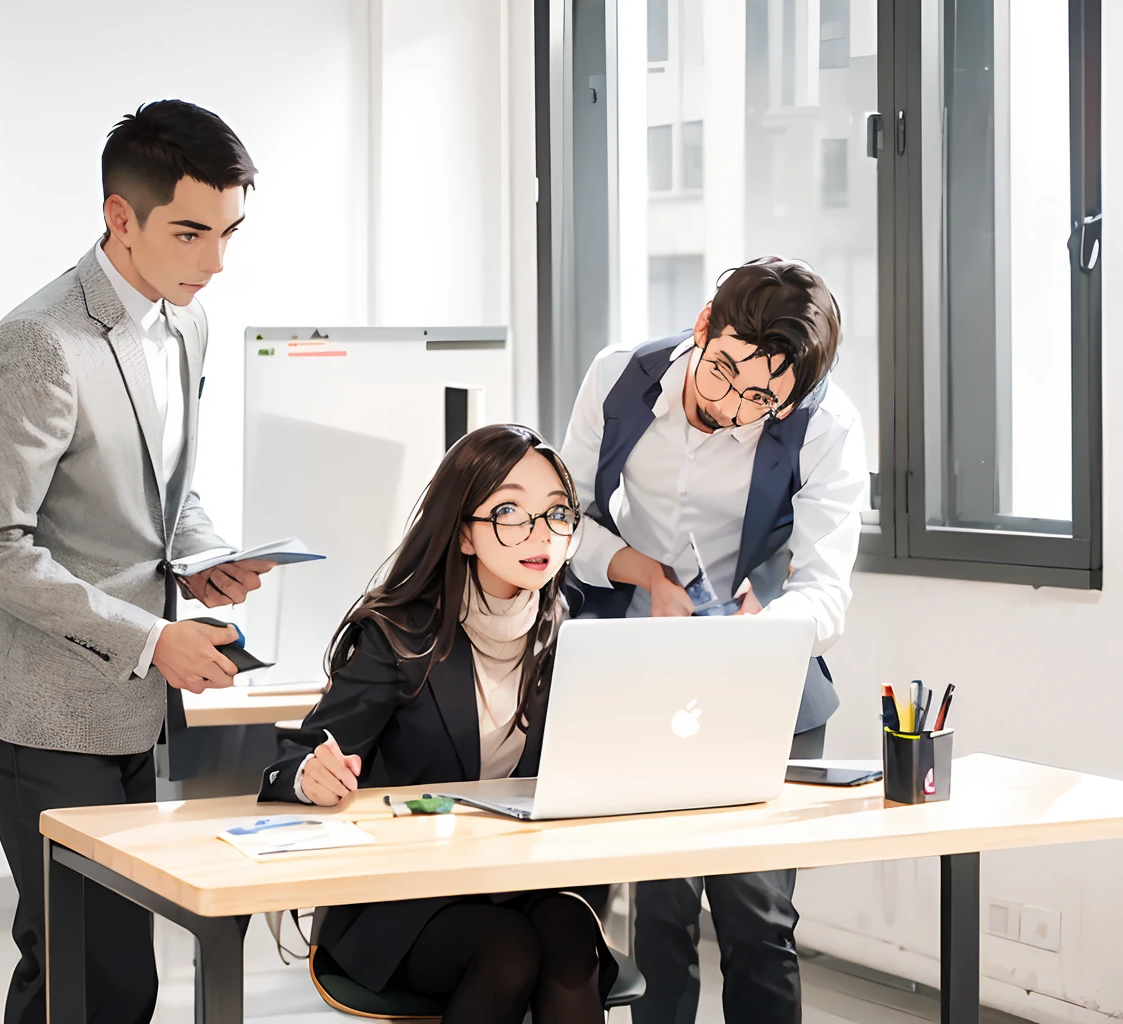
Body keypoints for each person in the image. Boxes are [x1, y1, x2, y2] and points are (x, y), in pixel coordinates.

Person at [0, 99, 275, 1024]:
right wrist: (150, 635)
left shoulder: (187, 322)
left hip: (134, 698)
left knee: (79, 961)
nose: (215, 261)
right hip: (36, 705)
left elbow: (159, 489)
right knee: (103, 972)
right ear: (118, 218)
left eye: (230, 233)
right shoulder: (40, 342)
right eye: (191, 232)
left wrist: (205, 556)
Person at [558, 256, 869, 1023]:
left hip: (761, 675)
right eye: (724, 369)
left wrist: (753, 634)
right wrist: (644, 572)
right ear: (703, 325)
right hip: (642, 663)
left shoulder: (826, 425)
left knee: (759, 919)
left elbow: (828, 588)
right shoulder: (618, 377)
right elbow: (562, 521)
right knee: (659, 914)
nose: (730, 405)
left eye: (761, 396)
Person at [260, 424, 618, 1024]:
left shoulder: (570, 633)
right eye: (509, 511)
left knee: (569, 933)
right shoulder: (398, 635)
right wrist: (311, 776)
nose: (540, 534)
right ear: (464, 534)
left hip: (521, 881)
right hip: (404, 898)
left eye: (557, 513)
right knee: (506, 949)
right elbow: (290, 762)